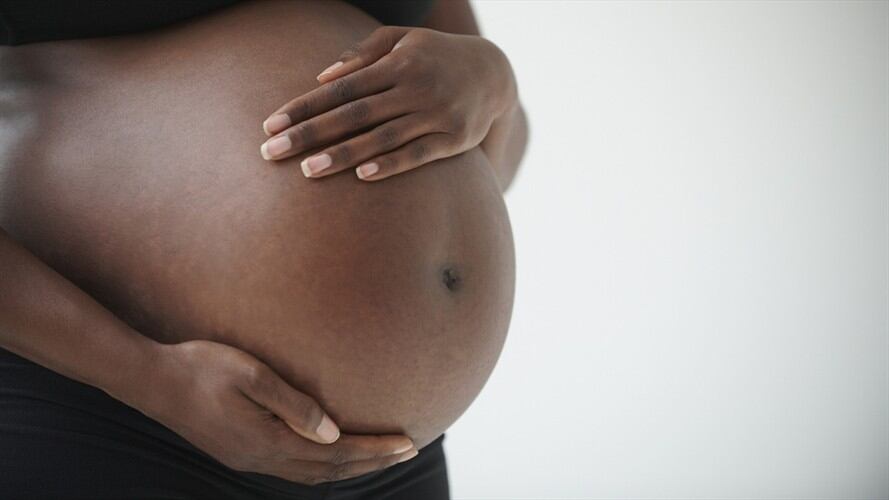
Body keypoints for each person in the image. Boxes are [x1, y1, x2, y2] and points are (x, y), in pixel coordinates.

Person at [0, 0, 528, 498]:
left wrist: (495, 82)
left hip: (397, 462)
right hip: (114, 414)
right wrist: (148, 377)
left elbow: (491, 153)